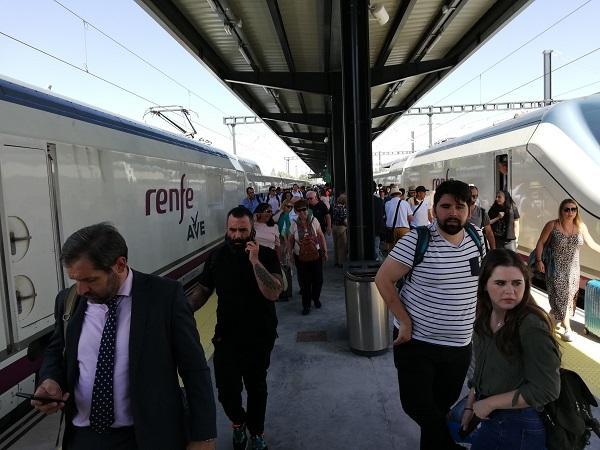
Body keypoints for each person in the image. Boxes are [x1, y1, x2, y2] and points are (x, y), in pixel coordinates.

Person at [33, 223, 216, 450]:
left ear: (120, 265)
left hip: (147, 437)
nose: (81, 289)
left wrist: (203, 435)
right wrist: (50, 380)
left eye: (90, 280)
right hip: (83, 437)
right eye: (75, 280)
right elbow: (56, 349)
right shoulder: (68, 301)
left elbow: (194, 368)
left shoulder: (164, 297)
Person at [375, 179, 485, 450]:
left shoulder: (477, 238)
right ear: (434, 210)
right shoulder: (417, 240)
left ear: (469, 210)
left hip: (458, 346)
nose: (453, 213)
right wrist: (405, 321)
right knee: (417, 405)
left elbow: (482, 284)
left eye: (460, 207)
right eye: (445, 206)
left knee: (438, 408)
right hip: (416, 343)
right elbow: (383, 279)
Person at [190, 207, 282, 450]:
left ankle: (257, 433)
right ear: (226, 229)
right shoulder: (217, 257)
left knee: (256, 387)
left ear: (251, 229)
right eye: (233, 230)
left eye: (243, 230)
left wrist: (254, 262)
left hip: (259, 335)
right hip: (226, 336)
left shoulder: (267, 255)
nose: (238, 235)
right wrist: (179, 310)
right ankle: (238, 422)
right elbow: (202, 291)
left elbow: (273, 292)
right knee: (226, 391)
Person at [462, 249, 560, 450]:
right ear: (485, 286)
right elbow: (482, 369)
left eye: (517, 283)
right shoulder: (485, 315)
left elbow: (547, 389)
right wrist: (470, 405)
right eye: (500, 283)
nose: (510, 291)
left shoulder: (531, 325)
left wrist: (490, 404)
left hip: (519, 425)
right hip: (488, 414)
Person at [534, 198, 600, 341]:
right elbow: (541, 242)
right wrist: (539, 260)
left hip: (574, 271)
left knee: (567, 300)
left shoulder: (581, 226)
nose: (570, 212)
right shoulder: (552, 225)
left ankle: (547, 324)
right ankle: (567, 328)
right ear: (561, 211)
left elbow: (592, 244)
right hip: (555, 269)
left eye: (573, 209)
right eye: (567, 209)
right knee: (562, 299)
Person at [289, 199, 327, 315]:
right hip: (300, 257)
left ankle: (315, 298)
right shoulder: (294, 223)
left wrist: (325, 251)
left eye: (304, 209)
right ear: (296, 211)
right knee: (305, 282)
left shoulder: (314, 220)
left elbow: (320, 236)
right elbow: (291, 239)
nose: (302, 212)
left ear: (307, 209)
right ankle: (306, 305)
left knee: (318, 280)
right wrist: (289, 253)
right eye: (299, 210)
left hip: (315, 255)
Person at [383, 186, 412, 252]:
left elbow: (386, 216)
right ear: (399, 194)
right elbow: (410, 218)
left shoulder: (387, 204)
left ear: (392, 195)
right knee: (404, 249)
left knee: (392, 250)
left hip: (391, 229)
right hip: (404, 229)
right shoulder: (405, 203)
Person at [468, 185, 495, 250]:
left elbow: (489, 232)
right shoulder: (459, 211)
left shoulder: (482, 212)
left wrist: (493, 250)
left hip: (478, 248)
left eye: (476, 196)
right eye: (472, 195)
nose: (474, 198)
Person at [331, 193, 348, 268]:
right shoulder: (343, 209)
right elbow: (344, 220)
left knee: (336, 245)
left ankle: (336, 261)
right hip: (341, 228)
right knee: (342, 246)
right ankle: (341, 262)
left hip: (334, 226)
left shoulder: (334, 207)